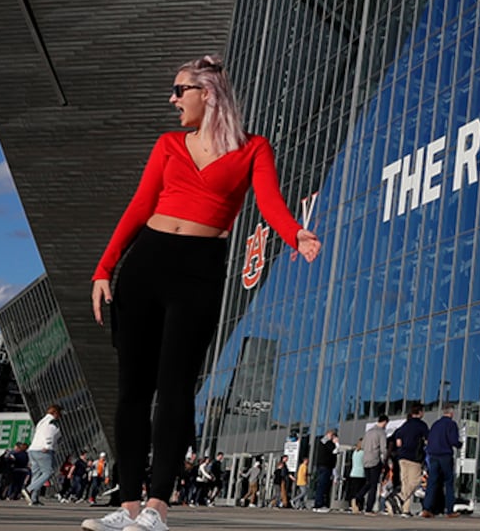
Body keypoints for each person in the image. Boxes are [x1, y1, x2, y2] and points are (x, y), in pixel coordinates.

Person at [84, 55, 322, 531]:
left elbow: (269, 201)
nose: (173, 100)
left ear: (206, 93)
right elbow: (140, 205)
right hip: (145, 264)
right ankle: (127, 505)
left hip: (199, 270)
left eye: (179, 90)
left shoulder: (253, 148)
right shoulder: (169, 144)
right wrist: (104, 267)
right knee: (132, 389)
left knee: (175, 388)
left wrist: (296, 233)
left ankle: (156, 508)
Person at [424, 405, 462, 518]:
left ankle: (427, 508)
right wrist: (460, 444)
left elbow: (429, 439)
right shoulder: (451, 424)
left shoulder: (435, 424)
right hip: (445, 455)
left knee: (432, 482)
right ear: (451, 413)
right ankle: (449, 510)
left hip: (433, 455)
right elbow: (453, 440)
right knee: (449, 482)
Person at [391, 405, 429, 517]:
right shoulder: (422, 425)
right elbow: (428, 440)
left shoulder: (404, 425)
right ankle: (399, 497)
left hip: (402, 457)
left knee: (406, 483)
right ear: (420, 412)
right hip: (414, 457)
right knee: (416, 481)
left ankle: (405, 509)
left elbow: (397, 440)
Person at [24, 404, 62, 506]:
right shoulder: (51, 422)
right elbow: (49, 433)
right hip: (43, 449)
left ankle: (33, 499)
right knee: (48, 472)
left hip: (33, 449)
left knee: (36, 473)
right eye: (59, 413)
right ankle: (29, 489)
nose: (60, 415)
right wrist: (48, 445)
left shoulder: (41, 421)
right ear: (55, 413)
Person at [360, 414, 389, 514]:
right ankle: (369, 507)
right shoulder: (381, 432)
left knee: (368, 482)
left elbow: (362, 445)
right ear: (384, 422)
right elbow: (383, 448)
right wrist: (385, 459)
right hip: (375, 460)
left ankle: (358, 497)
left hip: (365, 459)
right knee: (373, 485)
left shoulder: (368, 432)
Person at [312, 429, 338, 512]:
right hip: (326, 466)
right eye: (333, 435)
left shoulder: (322, 441)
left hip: (322, 466)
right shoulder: (327, 442)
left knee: (321, 485)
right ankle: (320, 504)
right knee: (323, 485)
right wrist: (336, 443)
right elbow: (335, 451)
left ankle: (318, 504)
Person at [346, 438, 366, 513]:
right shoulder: (363, 453)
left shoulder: (355, 452)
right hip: (361, 473)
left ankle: (351, 505)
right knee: (360, 491)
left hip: (353, 473)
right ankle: (358, 505)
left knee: (353, 490)